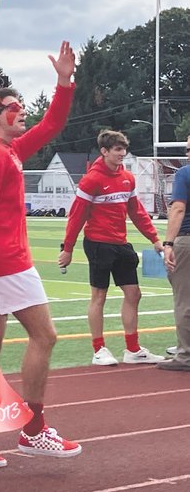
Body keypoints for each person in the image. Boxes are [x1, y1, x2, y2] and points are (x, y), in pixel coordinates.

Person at [0, 41, 82, 468]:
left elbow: (50, 126)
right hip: (6, 263)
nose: (21, 111)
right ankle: (32, 429)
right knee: (45, 336)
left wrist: (63, 82)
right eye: (13, 107)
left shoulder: (6, 151)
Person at [58, 130, 164, 367]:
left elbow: (136, 211)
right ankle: (98, 350)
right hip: (97, 244)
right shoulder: (91, 180)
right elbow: (77, 216)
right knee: (99, 296)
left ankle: (133, 349)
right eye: (117, 149)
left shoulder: (128, 178)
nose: (122, 154)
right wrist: (68, 248)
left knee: (134, 294)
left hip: (120, 244)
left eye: (123, 149)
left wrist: (154, 238)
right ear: (104, 151)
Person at [158, 135, 190, 371]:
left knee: (184, 301)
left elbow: (178, 208)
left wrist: (168, 242)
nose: (187, 153)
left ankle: (186, 355)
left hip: (187, 240)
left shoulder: (184, 174)